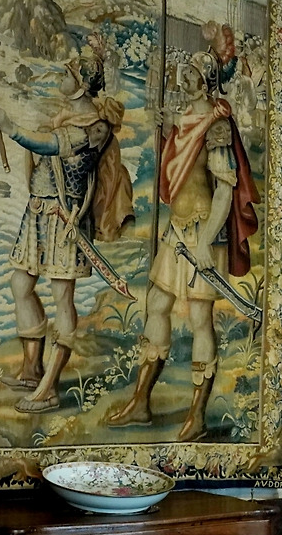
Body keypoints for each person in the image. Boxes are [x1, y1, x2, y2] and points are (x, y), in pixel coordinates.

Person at [107, 51, 259, 441]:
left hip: (204, 232)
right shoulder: (184, 120)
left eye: (191, 73)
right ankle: (141, 402)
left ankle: (197, 417)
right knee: (157, 304)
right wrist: (164, 133)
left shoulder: (217, 126)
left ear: (206, 80)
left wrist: (206, 242)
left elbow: (224, 190)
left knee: (199, 319)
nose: (184, 79)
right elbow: (176, 168)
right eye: (183, 73)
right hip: (176, 230)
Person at [0, 58, 133, 413]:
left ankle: (49, 389)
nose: (60, 78)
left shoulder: (94, 129)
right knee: (20, 284)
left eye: (67, 74)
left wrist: (10, 127)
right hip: (39, 214)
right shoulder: (66, 118)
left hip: (64, 220)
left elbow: (50, 146)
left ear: (81, 85)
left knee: (62, 297)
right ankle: (31, 369)